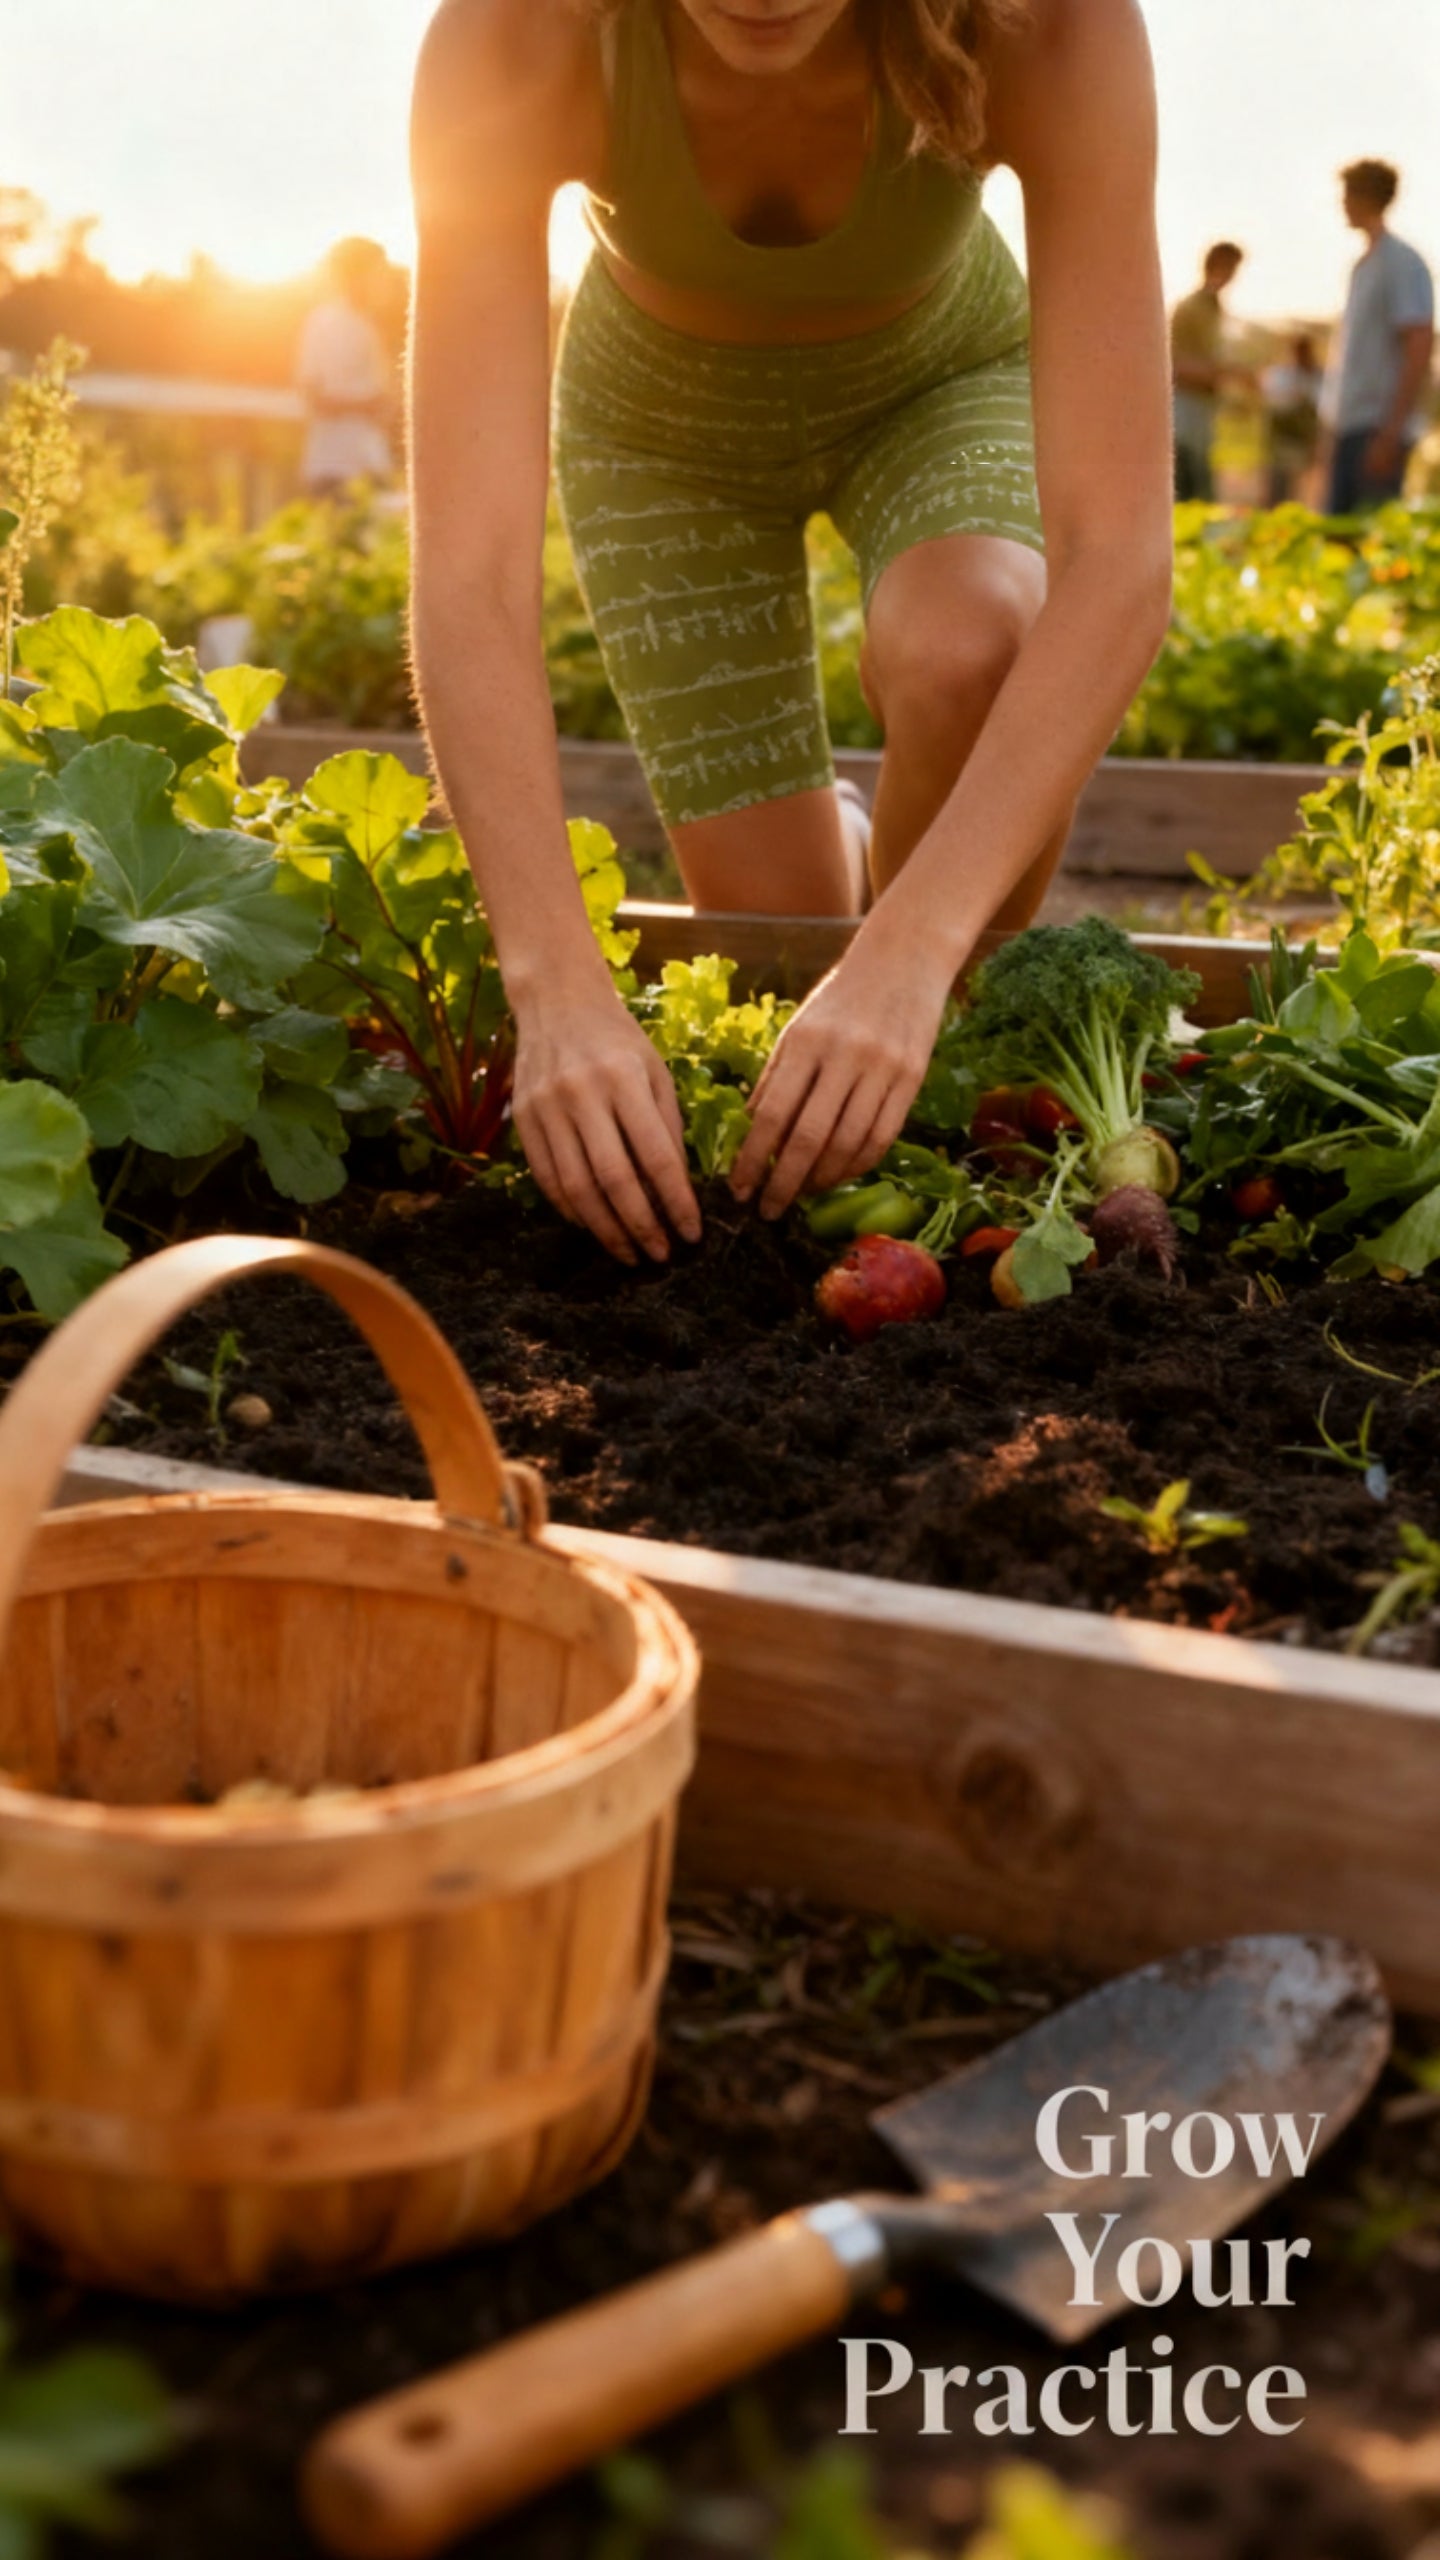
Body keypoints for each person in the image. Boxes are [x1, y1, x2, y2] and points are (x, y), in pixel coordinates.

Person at [408, 0, 1172, 1264]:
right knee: (782, 964)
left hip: (938, 377)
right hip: (660, 434)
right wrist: (555, 989)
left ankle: (931, 1006)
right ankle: (857, 849)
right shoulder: (513, 37)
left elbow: (1121, 567)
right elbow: (471, 577)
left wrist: (914, 953)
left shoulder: (1050, 27)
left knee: (969, 647)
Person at [1319, 161, 1435, 515]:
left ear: (1366, 197)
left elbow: (1419, 343)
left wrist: (1390, 432)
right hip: (1351, 425)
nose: (1342, 204)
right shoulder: (1363, 265)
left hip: (1377, 428)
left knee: (1368, 538)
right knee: (1338, 540)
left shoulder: (1400, 261)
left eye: (1348, 194)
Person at [296, 236, 397, 497]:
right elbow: (312, 398)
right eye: (378, 271)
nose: (383, 279)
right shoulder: (323, 322)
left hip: (372, 463)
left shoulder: (369, 323)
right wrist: (366, 405)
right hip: (334, 468)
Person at [1169, 242, 1244, 503]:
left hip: (1202, 410)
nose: (1233, 275)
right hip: (1187, 409)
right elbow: (1175, 365)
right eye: (1230, 267)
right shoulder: (1191, 307)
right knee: (1189, 492)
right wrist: (1227, 374)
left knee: (1199, 490)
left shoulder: (1215, 308)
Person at [1261, 330, 1324, 506]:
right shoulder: (1281, 375)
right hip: (1284, 442)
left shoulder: (1319, 377)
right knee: (1279, 488)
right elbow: (1275, 403)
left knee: (1308, 491)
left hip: (1307, 444)